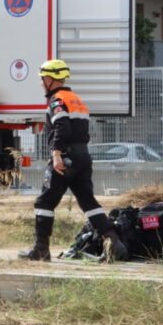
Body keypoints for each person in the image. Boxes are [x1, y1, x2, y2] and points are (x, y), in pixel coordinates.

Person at [20, 60, 127, 263]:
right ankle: (115, 245)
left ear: (50, 79)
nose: (42, 83)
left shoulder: (57, 100)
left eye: (43, 79)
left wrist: (56, 154)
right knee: (89, 202)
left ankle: (40, 249)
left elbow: (62, 127)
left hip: (66, 157)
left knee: (44, 202)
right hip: (82, 156)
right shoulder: (76, 99)